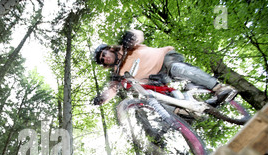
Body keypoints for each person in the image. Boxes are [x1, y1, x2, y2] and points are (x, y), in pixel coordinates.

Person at [92, 30, 237, 106]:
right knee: (155, 100)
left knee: (178, 69)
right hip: (157, 79)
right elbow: (112, 89)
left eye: (104, 54)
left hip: (165, 61)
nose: (105, 58)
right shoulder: (117, 73)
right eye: (102, 60)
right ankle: (185, 111)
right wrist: (102, 99)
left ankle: (219, 88)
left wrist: (131, 36)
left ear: (110, 49)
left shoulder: (126, 47)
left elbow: (138, 35)